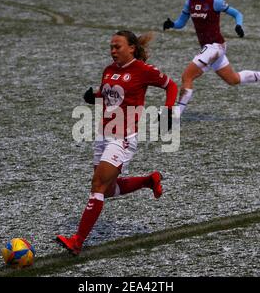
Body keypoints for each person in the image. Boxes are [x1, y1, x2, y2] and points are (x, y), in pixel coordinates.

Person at [55, 30, 178, 255]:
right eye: (111, 47)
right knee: (108, 190)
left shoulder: (143, 71)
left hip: (123, 138)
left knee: (98, 186)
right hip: (103, 134)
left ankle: (77, 241)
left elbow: (171, 85)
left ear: (131, 48)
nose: (113, 51)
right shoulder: (109, 70)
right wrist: (95, 96)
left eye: (117, 47)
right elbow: (108, 92)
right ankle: (148, 180)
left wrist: (169, 110)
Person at [163, 0, 260, 117]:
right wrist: (172, 24)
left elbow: (237, 13)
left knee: (187, 76)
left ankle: (176, 115)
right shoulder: (189, 2)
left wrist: (238, 25)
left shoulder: (215, 1)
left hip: (216, 46)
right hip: (209, 49)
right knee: (233, 80)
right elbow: (181, 23)